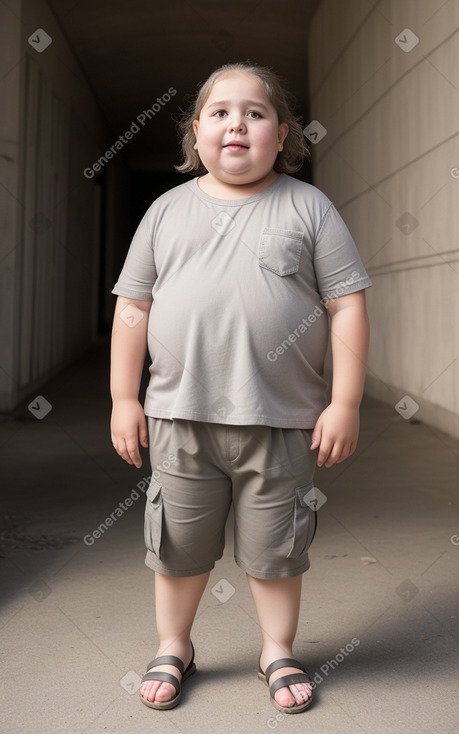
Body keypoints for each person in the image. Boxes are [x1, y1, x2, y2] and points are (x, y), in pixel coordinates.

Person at [110, 60, 372, 715]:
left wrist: (343, 401)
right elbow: (133, 308)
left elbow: (346, 305)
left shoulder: (308, 207)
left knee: (276, 549)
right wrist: (122, 397)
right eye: (220, 113)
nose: (237, 124)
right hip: (180, 416)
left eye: (255, 113)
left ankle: (276, 649)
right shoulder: (166, 212)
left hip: (281, 420)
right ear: (195, 132)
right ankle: (174, 644)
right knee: (176, 546)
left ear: (281, 133)